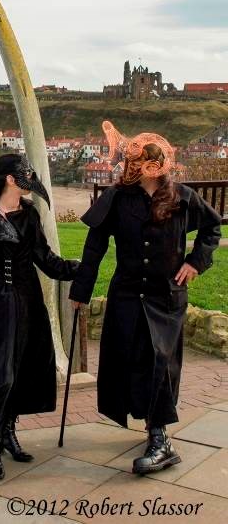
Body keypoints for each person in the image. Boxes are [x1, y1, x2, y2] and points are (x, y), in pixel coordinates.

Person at [69, 120, 222, 475]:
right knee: (131, 360)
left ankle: (160, 438)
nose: (130, 170)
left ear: (155, 166)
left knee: (160, 363)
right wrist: (81, 291)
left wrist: (196, 262)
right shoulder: (118, 198)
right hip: (126, 295)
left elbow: (212, 228)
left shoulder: (183, 197)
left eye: (137, 165)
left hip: (166, 296)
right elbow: (95, 246)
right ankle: (152, 428)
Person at [0, 153, 80, 480]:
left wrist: (79, 268)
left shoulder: (29, 215)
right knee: (1, 373)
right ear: (10, 179)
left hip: (28, 300)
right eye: (23, 176)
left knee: (23, 369)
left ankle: (10, 433)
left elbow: (46, 259)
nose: (29, 181)